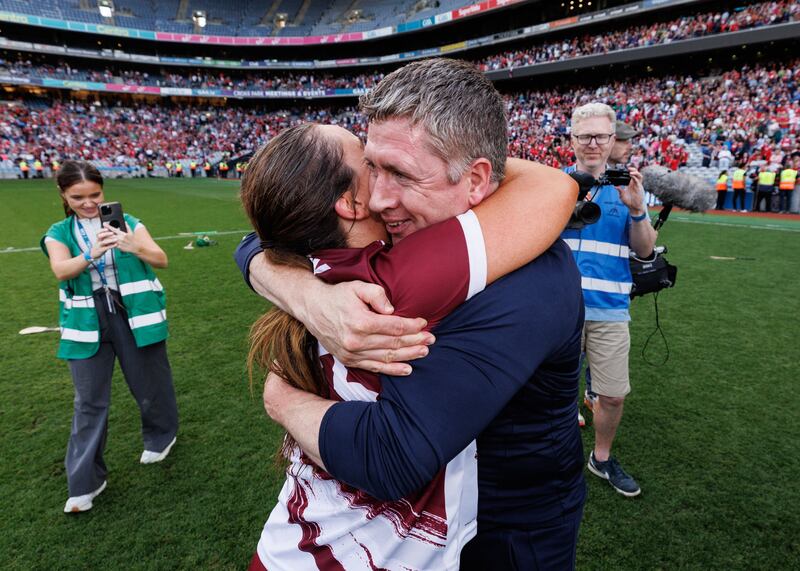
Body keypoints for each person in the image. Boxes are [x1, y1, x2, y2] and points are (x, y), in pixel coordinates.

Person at [237, 58, 586, 570]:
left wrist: (281, 398)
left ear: (476, 181)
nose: (376, 197)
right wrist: (305, 293)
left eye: (400, 173)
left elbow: (392, 453)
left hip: (507, 530)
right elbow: (265, 238)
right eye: (372, 166)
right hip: (419, 533)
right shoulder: (402, 253)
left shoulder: (527, 274)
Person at [41, 160, 179, 513]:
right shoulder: (58, 232)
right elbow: (60, 270)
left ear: (104, 192)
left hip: (135, 312)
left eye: (95, 195)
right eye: (78, 197)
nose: (88, 203)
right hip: (86, 320)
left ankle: (161, 436)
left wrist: (133, 245)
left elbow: (161, 259)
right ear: (63, 195)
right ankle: (86, 481)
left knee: (151, 382)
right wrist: (91, 253)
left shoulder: (128, 222)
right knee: (88, 400)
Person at [561, 102, 657, 497]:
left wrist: (636, 210)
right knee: (552, 392)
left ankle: (601, 459)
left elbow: (646, 252)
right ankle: (555, 458)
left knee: (613, 394)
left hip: (610, 309)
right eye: (584, 136)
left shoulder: (629, 187)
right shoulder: (557, 184)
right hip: (560, 308)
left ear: (613, 139)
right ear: (572, 140)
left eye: (601, 136)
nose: (593, 143)